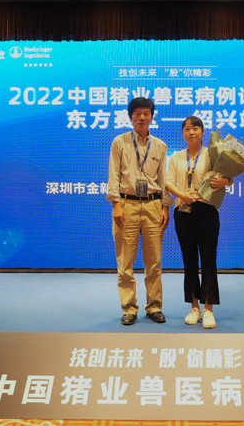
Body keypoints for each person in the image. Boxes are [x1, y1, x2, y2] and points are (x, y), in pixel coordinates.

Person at [107, 97, 173, 326]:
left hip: (154, 206)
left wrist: (166, 206)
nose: (142, 118)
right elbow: (114, 175)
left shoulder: (160, 145)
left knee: (154, 262)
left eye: (146, 114)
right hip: (127, 205)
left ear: (152, 117)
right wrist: (116, 204)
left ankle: (154, 306)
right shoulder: (119, 142)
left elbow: (164, 180)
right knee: (125, 262)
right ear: (130, 117)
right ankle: (129, 308)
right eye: (137, 114)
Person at [166, 116, 232, 328]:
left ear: (203, 132)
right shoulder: (176, 157)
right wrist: (182, 196)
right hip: (183, 211)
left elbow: (229, 177)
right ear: (182, 133)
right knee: (189, 260)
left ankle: (209, 309)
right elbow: (168, 182)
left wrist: (226, 181)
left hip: (207, 211)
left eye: (195, 128)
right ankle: (194, 307)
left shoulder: (213, 154)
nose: (191, 132)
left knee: (208, 260)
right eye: (187, 129)